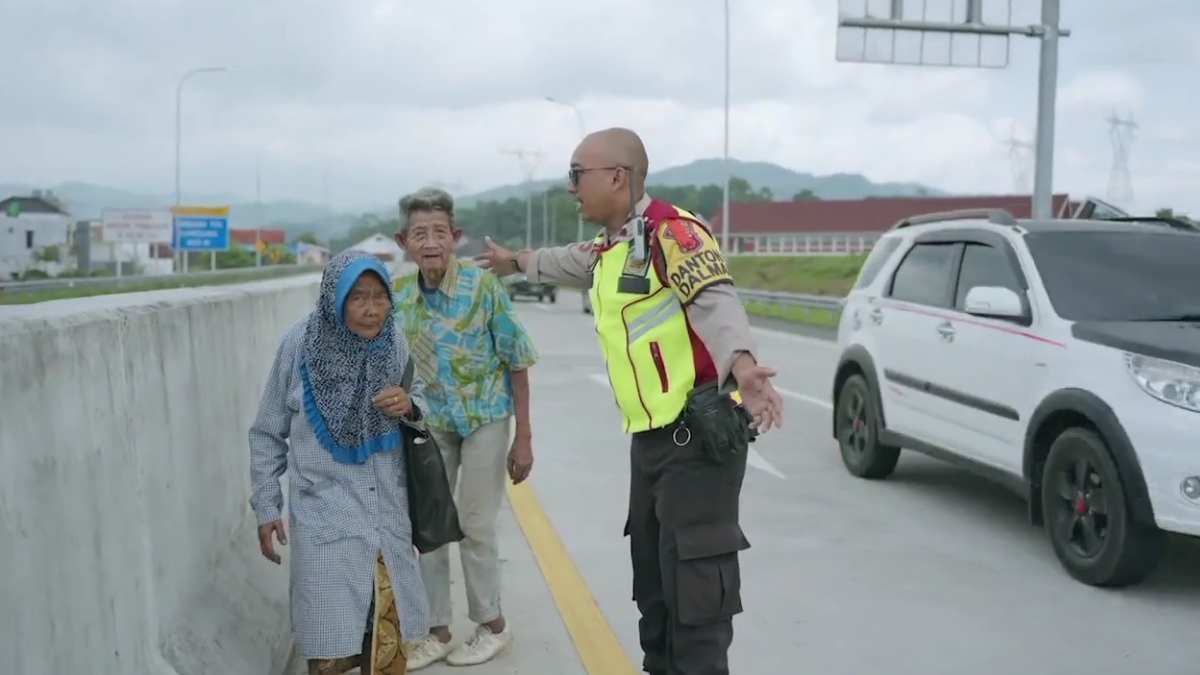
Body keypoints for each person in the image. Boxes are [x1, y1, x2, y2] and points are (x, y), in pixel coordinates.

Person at [476, 128, 784, 675]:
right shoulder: (616, 245)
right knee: (656, 596)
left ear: (616, 177)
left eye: (577, 175)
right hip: (652, 443)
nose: (571, 188)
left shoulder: (673, 233)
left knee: (696, 606)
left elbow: (715, 300)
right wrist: (515, 262)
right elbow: (568, 262)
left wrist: (742, 364)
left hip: (698, 440)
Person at [249, 249, 430, 675]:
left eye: (380, 296)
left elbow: (421, 402)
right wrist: (267, 505)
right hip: (326, 518)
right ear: (335, 297)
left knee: (386, 647)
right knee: (329, 652)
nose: (371, 310)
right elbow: (266, 431)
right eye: (358, 297)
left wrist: (408, 405)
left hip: (387, 517)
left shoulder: (395, 342)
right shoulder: (299, 346)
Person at [391, 187, 539, 669]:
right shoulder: (400, 296)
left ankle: (492, 625)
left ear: (454, 237)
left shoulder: (483, 288)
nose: (430, 243)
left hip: (484, 420)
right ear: (403, 241)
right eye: (419, 234)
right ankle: (437, 630)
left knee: (475, 525)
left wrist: (525, 436)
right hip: (431, 424)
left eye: (439, 232)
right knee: (430, 527)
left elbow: (517, 361)